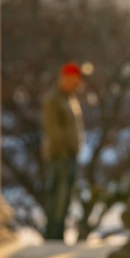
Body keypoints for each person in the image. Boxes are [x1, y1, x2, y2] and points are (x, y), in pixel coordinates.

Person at [42, 61, 85, 241]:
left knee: (66, 199)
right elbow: (53, 130)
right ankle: (53, 235)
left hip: (70, 156)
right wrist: (67, 149)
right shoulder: (54, 100)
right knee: (57, 198)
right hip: (59, 157)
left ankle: (59, 235)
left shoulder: (71, 99)